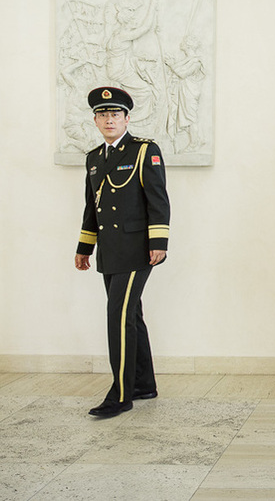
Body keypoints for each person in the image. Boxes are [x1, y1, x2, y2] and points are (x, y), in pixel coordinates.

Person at [75, 86, 171, 418]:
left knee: (118, 317)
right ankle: (144, 384)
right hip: (109, 251)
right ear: (95, 120)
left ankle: (120, 394)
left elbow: (158, 199)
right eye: (102, 114)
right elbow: (93, 208)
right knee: (131, 316)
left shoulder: (144, 150)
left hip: (138, 250)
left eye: (115, 114)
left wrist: (158, 242)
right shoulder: (93, 158)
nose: (108, 120)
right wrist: (84, 247)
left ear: (127, 118)